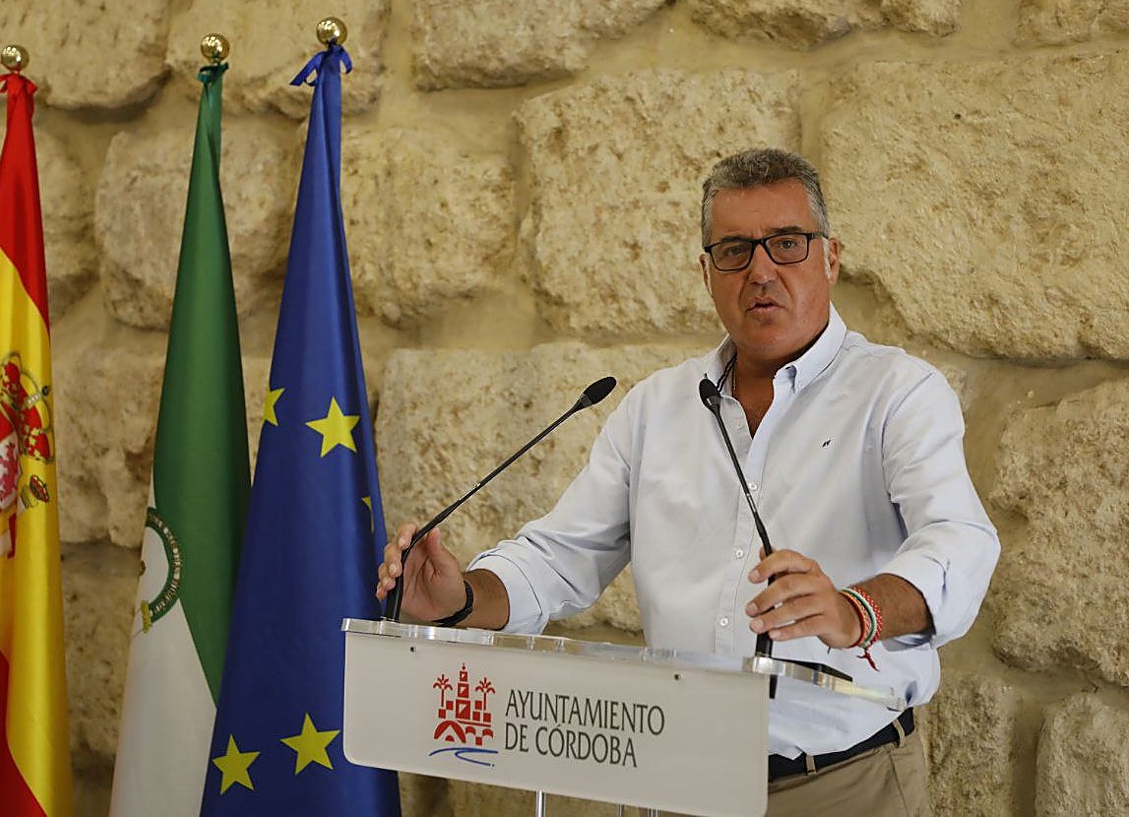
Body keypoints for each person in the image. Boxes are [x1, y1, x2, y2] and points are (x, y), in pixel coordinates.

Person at [376, 148, 999, 816]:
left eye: (786, 244)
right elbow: (560, 559)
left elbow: (958, 543)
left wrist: (855, 612)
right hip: (675, 781)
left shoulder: (897, 393)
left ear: (830, 257)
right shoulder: (655, 408)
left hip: (838, 784)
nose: (761, 270)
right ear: (707, 272)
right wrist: (461, 598)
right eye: (735, 250)